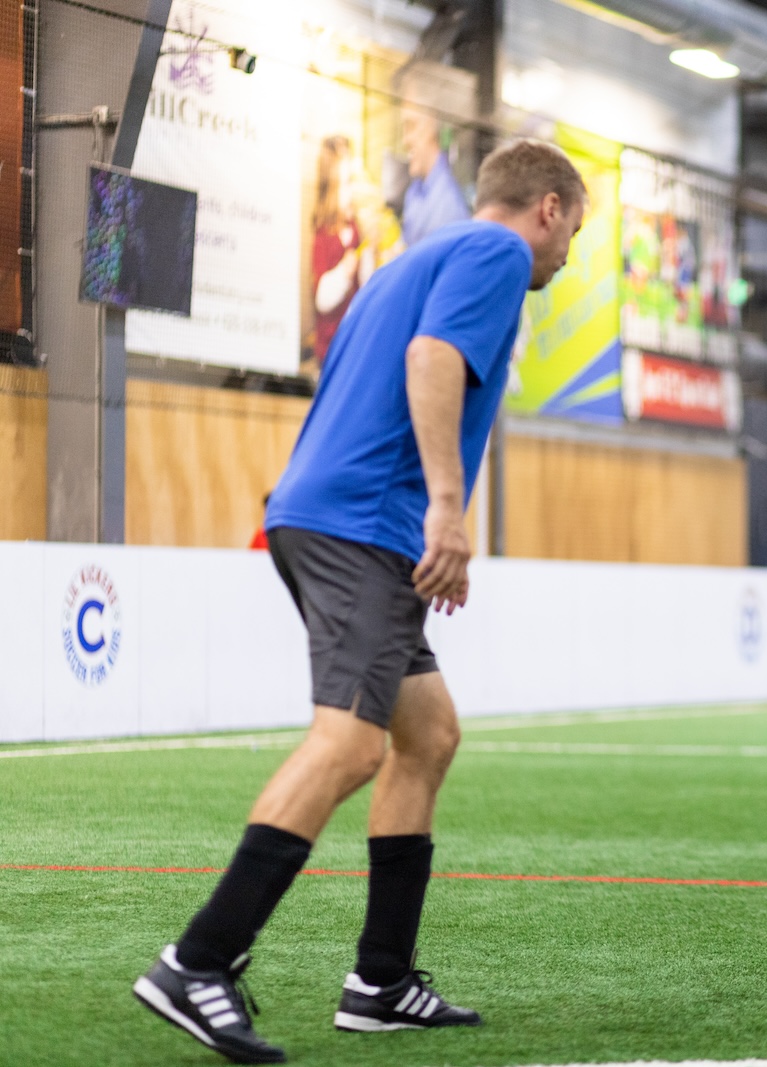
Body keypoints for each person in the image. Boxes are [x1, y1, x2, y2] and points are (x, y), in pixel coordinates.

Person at [133, 139, 587, 1064]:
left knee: (428, 734)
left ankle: (380, 981)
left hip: (330, 513)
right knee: (349, 741)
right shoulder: (496, 254)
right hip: (363, 524)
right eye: (574, 231)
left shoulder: (408, 262)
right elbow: (431, 362)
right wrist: (448, 515)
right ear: (546, 207)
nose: (569, 253)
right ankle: (198, 958)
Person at [309, 136, 375, 367]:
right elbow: (322, 299)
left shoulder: (357, 230)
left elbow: (367, 286)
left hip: (355, 347)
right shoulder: (323, 235)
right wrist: (344, 273)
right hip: (331, 351)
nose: (353, 192)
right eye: (347, 184)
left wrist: (370, 250)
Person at [399, 104, 470, 248]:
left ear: (431, 126)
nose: (404, 140)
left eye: (411, 126)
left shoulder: (448, 204)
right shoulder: (415, 191)